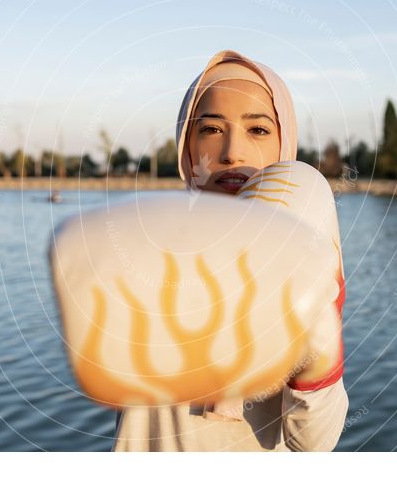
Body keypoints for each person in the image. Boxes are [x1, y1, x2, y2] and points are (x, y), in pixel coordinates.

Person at [112, 49, 349, 452]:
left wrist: (316, 323)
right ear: (187, 148)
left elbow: (312, 443)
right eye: (211, 129)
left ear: (282, 146)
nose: (232, 152)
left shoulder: (306, 249)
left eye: (257, 130)